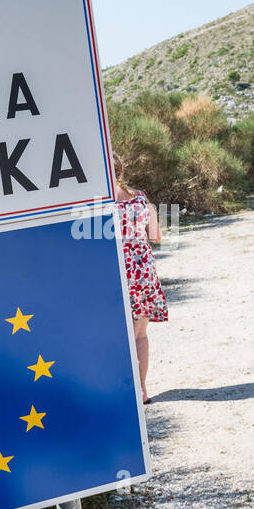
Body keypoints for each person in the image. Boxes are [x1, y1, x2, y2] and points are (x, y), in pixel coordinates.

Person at [112, 154, 167, 403]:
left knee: (118, 334)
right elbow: (155, 236)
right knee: (140, 335)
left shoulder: (101, 203)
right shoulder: (140, 197)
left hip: (115, 270)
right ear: (122, 170)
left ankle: (124, 390)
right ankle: (142, 390)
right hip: (142, 268)